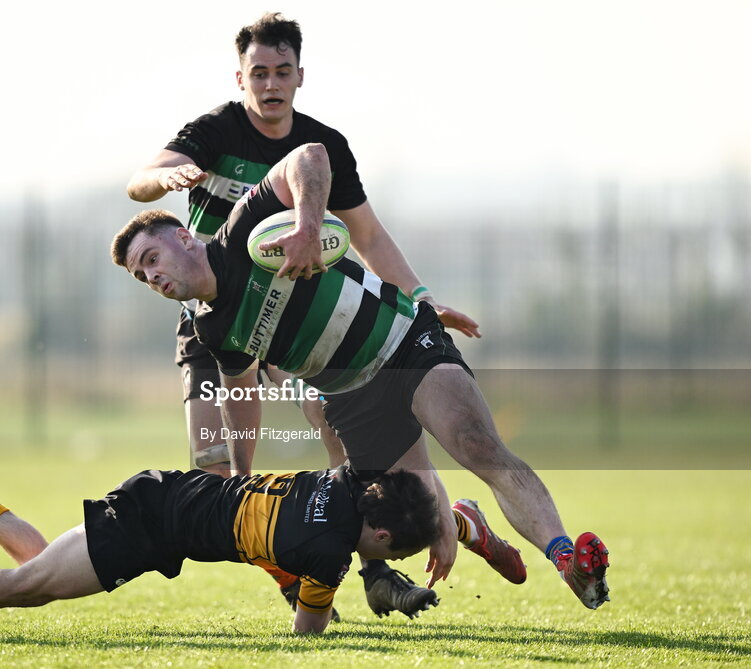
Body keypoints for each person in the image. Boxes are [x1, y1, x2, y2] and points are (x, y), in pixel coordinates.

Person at [111, 144, 611, 610]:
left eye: (151, 259)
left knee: (474, 443)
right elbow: (239, 394)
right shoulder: (211, 326)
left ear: (183, 237)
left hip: (400, 342)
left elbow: (310, 156)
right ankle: (465, 525)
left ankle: (568, 559)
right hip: (350, 396)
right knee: (395, 525)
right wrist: (240, 479)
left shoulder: (245, 231)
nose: (151, 277)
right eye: (140, 275)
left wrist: (307, 226)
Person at [126, 11, 482, 620]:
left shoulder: (324, 144)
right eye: (257, 72)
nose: (269, 83)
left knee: (343, 435)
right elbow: (140, 179)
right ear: (240, 77)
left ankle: (375, 569)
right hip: (217, 325)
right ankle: (297, 580)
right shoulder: (215, 130)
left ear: (298, 76)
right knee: (215, 466)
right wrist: (165, 177)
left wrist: (420, 299)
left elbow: (368, 234)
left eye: (281, 71)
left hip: (299, 317)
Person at [0, 453, 447, 635]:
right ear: (383, 536)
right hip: (152, 526)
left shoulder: (344, 477)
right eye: (390, 555)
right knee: (27, 588)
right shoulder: (329, 557)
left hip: (171, 494)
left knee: (40, 570)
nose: (382, 562)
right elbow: (308, 637)